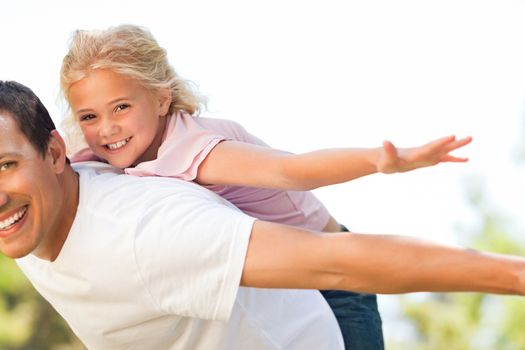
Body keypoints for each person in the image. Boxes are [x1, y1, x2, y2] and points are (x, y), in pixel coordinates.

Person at [1, 80, 525, 350]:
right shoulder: (61, 180)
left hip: (330, 303)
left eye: (6, 165)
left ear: (52, 154)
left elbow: (335, 255)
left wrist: (512, 275)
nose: (106, 130)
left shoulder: (150, 225)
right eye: (91, 116)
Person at [60, 25, 472, 350]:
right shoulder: (102, 152)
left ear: (162, 100)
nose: (107, 129)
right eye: (90, 116)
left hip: (338, 285)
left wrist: (379, 161)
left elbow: (293, 170)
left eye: (122, 107)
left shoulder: (197, 148)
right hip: (284, 287)